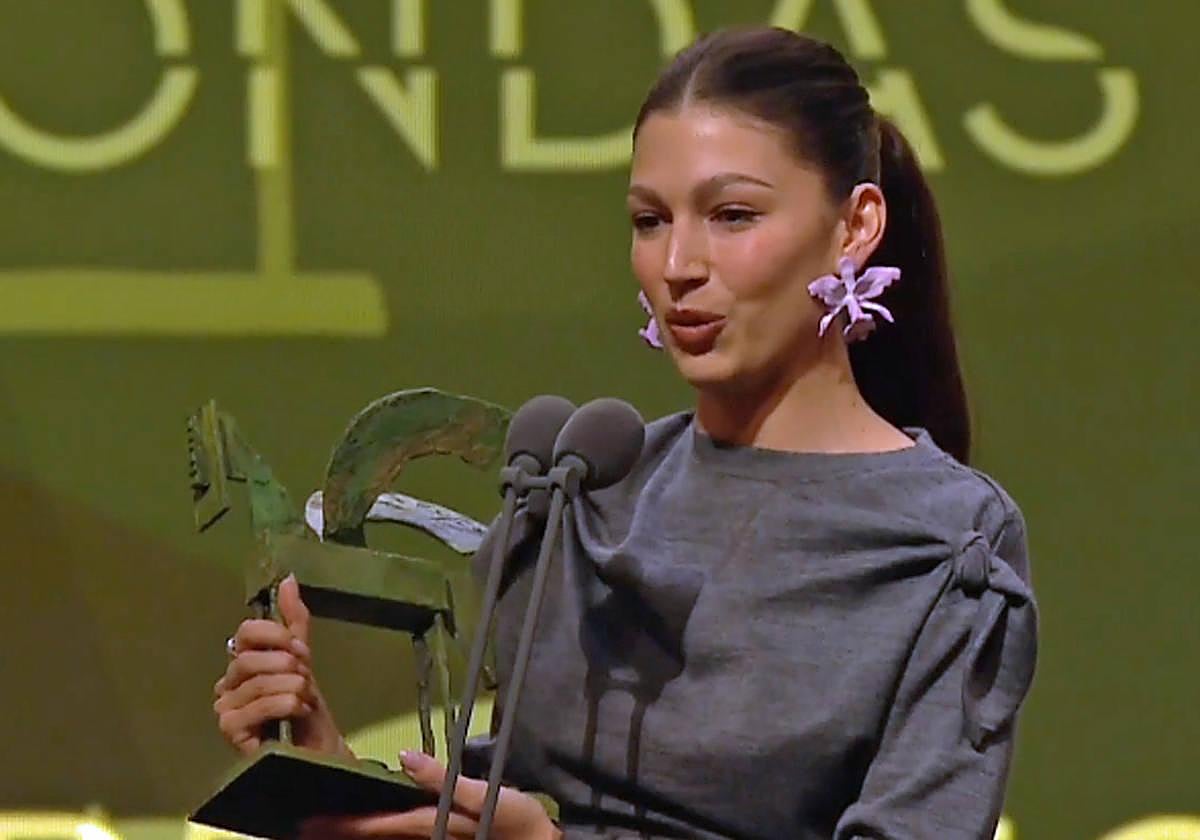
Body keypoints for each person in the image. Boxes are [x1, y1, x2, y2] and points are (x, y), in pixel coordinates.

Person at [214, 26, 1038, 839]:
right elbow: (500, 796)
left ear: (855, 226)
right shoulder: (589, 494)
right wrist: (324, 771)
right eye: (650, 221)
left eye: (733, 215)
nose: (680, 264)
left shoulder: (945, 543)